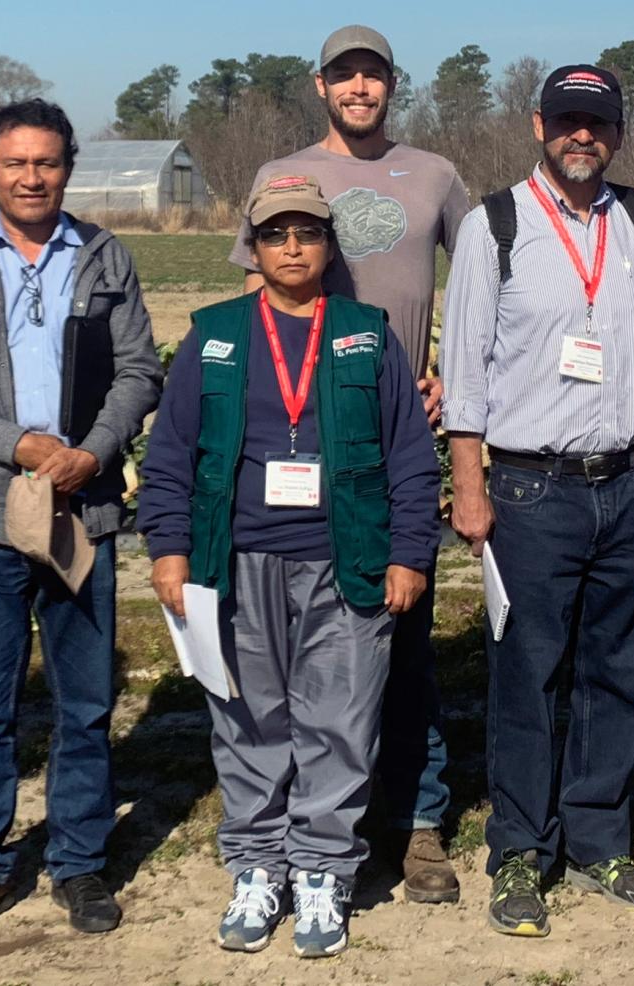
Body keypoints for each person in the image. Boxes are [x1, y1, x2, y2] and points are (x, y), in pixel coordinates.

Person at [140, 173, 439, 958]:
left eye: (307, 232)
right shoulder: (215, 334)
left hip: (347, 562)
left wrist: (410, 553)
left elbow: (410, 455)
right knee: (247, 719)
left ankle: (321, 871)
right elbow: (170, 453)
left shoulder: (366, 333)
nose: (293, 246)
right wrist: (168, 550)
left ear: (328, 244)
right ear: (255, 246)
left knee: (339, 724)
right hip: (233, 561)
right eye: (276, 234)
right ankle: (256, 864)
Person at [0, 99, 163, 937]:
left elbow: (138, 370)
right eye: (15, 163)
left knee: (83, 704)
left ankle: (79, 863)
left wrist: (92, 451)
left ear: (67, 169)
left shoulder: (104, 257)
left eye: (46, 163)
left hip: (83, 509)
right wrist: (19, 446)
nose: (31, 177)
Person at [229, 26, 471, 901]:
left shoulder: (436, 173)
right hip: (302, 439)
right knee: (298, 650)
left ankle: (415, 822)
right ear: (319, 85)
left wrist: (454, 370)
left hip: (395, 439)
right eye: (344, 75)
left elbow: (480, 280)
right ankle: (304, 822)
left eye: (372, 75)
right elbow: (258, 300)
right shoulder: (281, 179)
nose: (358, 87)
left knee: (401, 640)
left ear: (391, 85)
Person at [440, 64, 634, 936]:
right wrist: (470, 489)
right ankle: (517, 855)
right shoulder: (493, 225)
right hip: (531, 489)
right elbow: (463, 371)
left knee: (619, 670)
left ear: (617, 132)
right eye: (569, 122)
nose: (584, 137)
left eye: (599, 124)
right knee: (527, 676)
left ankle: (599, 839)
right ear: (539, 125)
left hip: (629, 481)